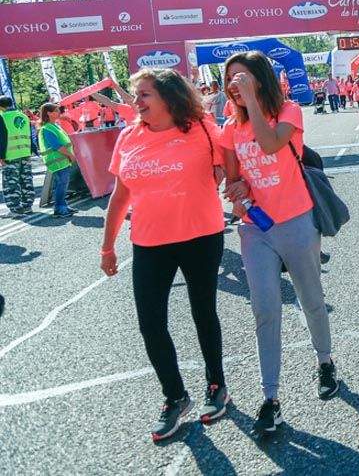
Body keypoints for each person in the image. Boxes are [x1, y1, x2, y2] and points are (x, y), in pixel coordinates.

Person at [99, 69, 229, 442]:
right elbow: (119, 196)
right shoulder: (128, 136)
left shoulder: (203, 126)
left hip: (201, 236)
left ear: (169, 98)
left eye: (144, 95)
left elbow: (232, 161)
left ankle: (216, 385)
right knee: (150, 323)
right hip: (149, 242)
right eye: (136, 95)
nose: (136, 102)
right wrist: (107, 246)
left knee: (203, 312)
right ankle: (174, 396)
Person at [219, 51, 338, 435]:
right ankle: (270, 398)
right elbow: (235, 181)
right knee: (265, 309)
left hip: (297, 222)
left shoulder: (288, 112)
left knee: (310, 299)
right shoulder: (229, 129)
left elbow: (270, 145)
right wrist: (234, 189)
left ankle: (325, 361)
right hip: (256, 229)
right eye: (231, 80)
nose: (235, 87)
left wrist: (252, 100)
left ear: (260, 80)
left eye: (243, 79)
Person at [38, 102, 76, 217]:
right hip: (58, 161)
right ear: (49, 113)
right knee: (61, 185)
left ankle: (63, 205)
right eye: (56, 110)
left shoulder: (54, 126)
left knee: (63, 185)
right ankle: (59, 208)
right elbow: (57, 146)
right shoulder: (47, 128)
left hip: (62, 160)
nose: (59, 112)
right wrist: (70, 155)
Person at [0, 96, 35, 216]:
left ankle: (16, 209)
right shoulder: (24, 116)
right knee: (26, 180)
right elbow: (30, 135)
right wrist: (31, 151)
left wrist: (1, 156)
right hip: (25, 153)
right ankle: (27, 206)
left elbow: (2, 138)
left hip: (10, 155)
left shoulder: (2, 117)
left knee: (11, 183)